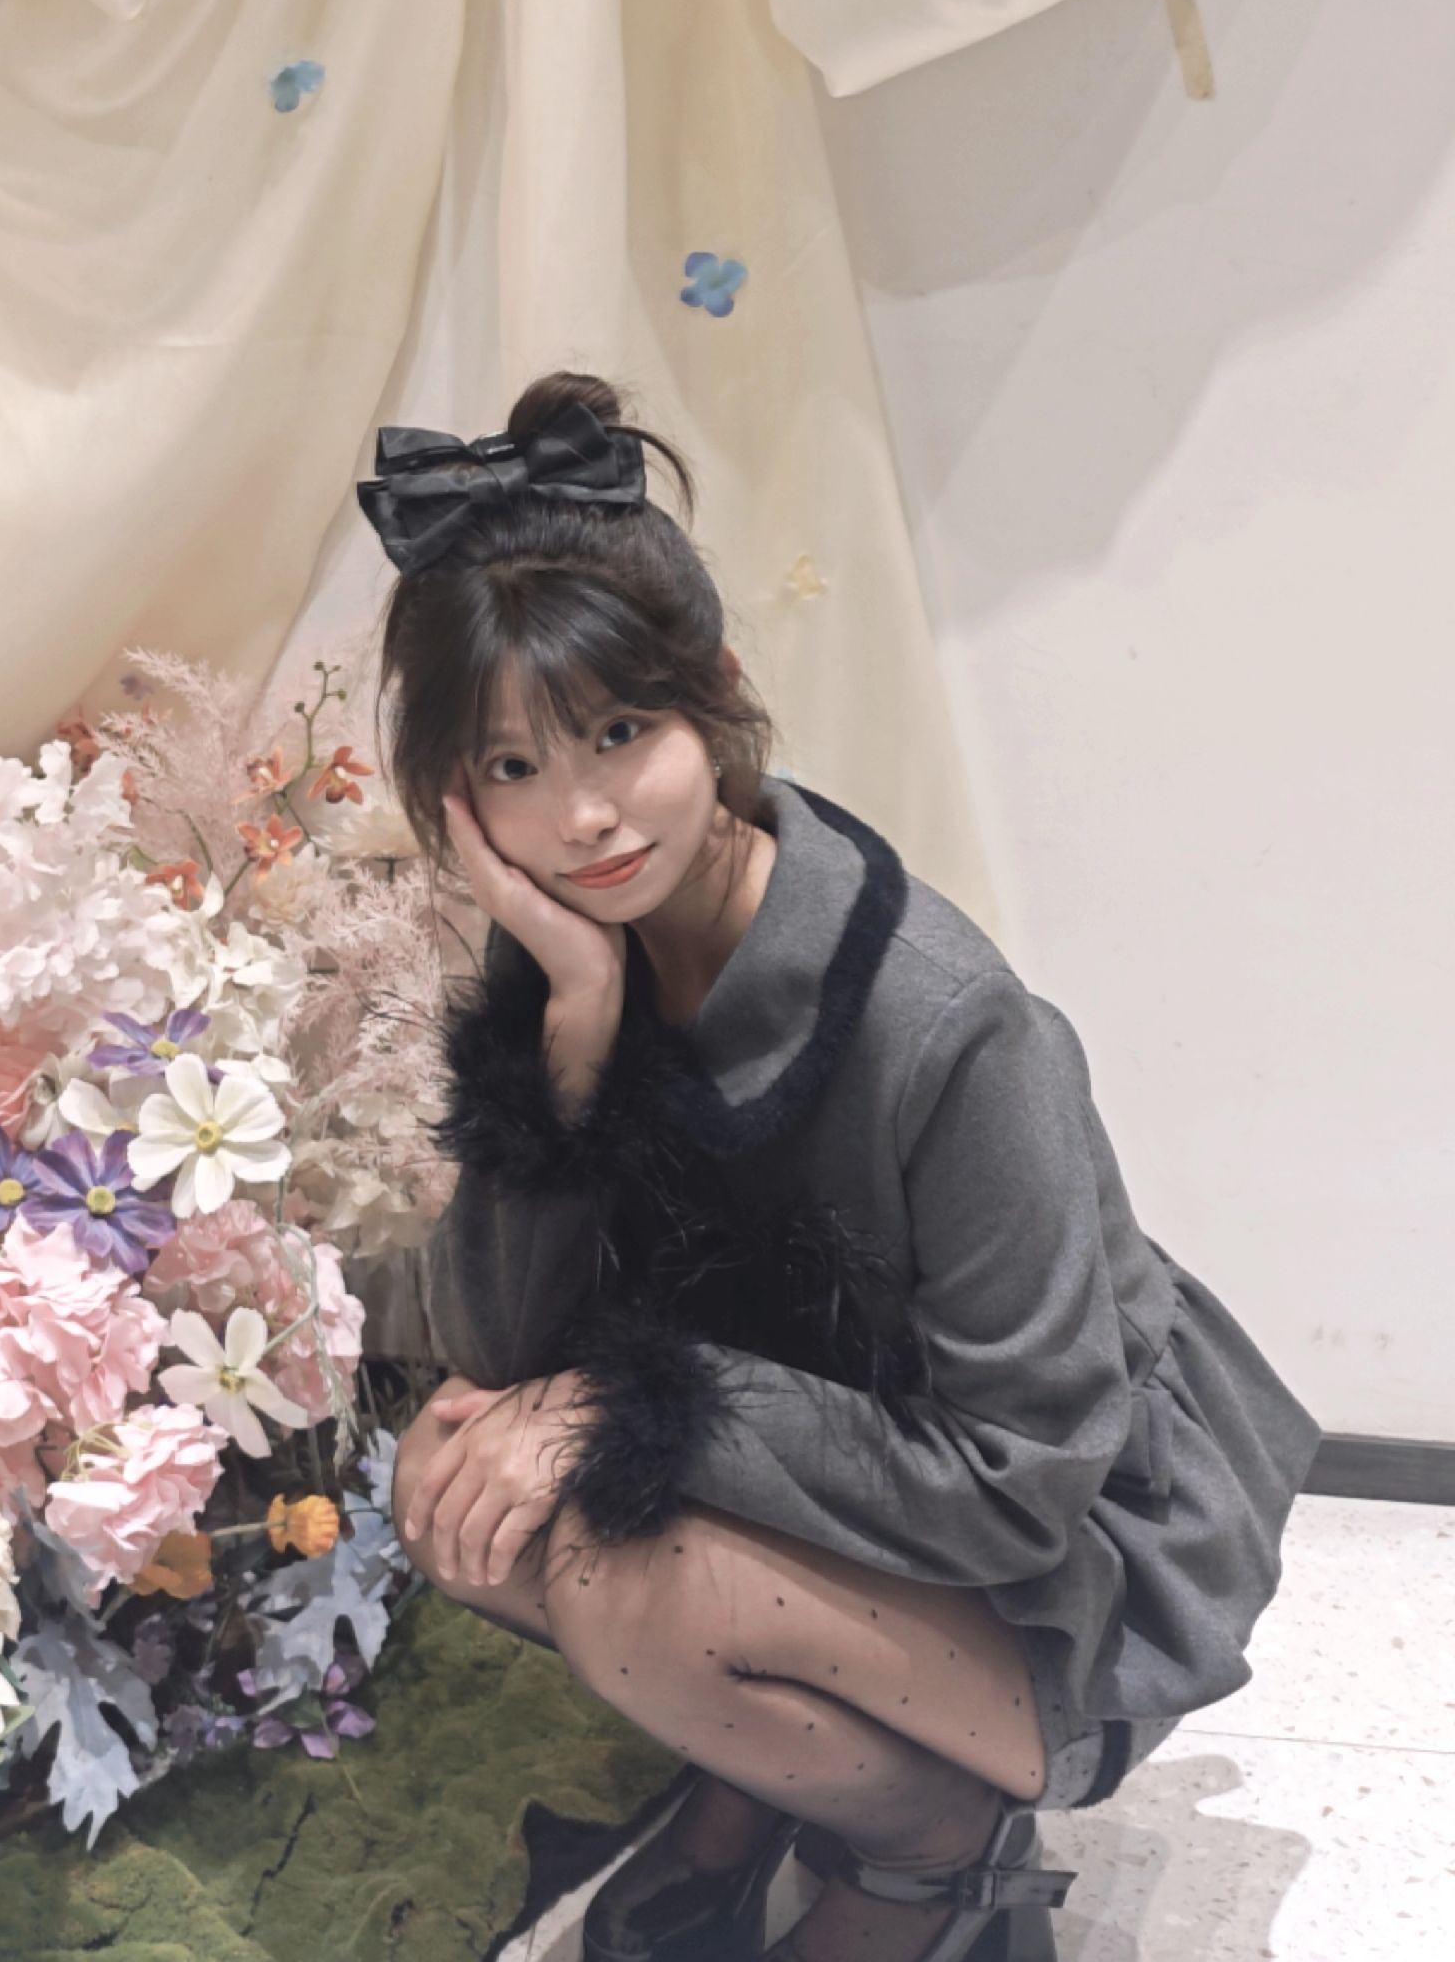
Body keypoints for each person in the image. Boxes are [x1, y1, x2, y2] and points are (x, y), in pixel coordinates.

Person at [362, 373, 1322, 1962]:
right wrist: (571, 1035)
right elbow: (497, 1349)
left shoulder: (945, 1024)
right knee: (450, 1472)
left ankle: (933, 1844)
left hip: (1057, 1568)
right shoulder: (584, 950)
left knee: (627, 1588)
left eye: (621, 732)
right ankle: (767, 1776)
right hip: (837, 1491)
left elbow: (1019, 1483)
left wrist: (622, 1402)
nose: (582, 816)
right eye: (512, 767)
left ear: (718, 698)